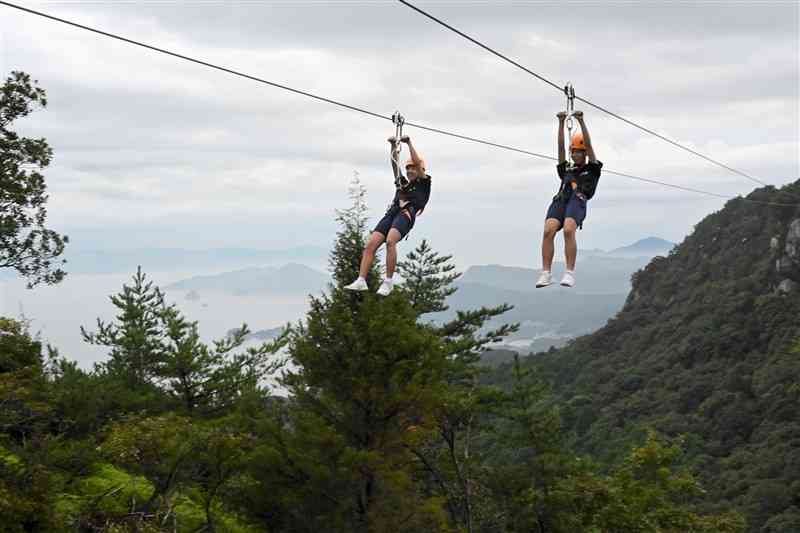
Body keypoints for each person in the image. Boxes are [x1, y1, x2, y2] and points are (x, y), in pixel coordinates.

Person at [345, 135, 431, 296]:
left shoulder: (424, 183)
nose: (410, 170)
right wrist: (393, 146)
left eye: (413, 168)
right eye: (408, 168)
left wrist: (409, 143)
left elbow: (417, 163)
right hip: (392, 213)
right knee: (371, 244)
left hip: (406, 214)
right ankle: (361, 280)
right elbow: (394, 163)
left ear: (420, 170)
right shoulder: (402, 183)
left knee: (390, 241)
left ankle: (388, 282)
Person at [536, 110, 602, 288]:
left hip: (578, 199)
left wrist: (581, 121)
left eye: (580, 152)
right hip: (562, 198)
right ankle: (546, 273)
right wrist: (560, 123)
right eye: (574, 152)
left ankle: (569, 272)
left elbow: (589, 146)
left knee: (568, 230)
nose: (576, 155)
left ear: (585, 153)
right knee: (548, 230)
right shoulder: (567, 170)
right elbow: (559, 148)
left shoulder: (593, 169)